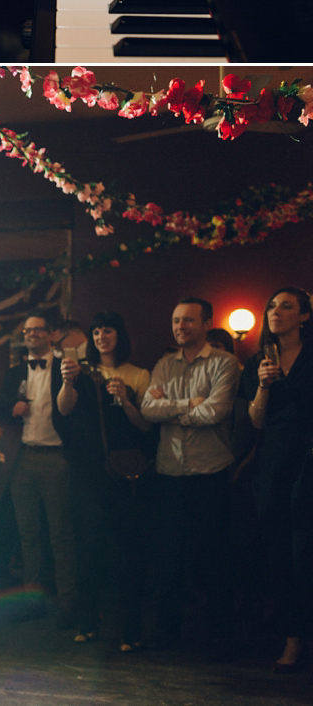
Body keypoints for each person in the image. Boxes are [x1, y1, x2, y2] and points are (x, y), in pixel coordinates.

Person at [140, 298, 239, 658]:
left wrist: (173, 409)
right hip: (170, 472)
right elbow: (149, 410)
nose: (181, 326)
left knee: (214, 560)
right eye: (176, 320)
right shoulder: (164, 364)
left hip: (209, 472)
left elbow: (216, 411)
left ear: (207, 323)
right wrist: (187, 405)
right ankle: (166, 633)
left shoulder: (224, 363)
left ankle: (218, 638)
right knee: (168, 559)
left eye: (189, 320)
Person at [56, 311, 152, 648]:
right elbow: (64, 411)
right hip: (87, 472)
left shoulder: (139, 374)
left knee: (127, 549)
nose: (100, 336)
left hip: (124, 473)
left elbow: (145, 426)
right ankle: (88, 620)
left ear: (119, 335)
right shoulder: (80, 372)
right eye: (95, 331)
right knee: (87, 546)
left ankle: (130, 627)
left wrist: (125, 398)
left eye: (107, 330)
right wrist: (68, 381)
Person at [239, 287, 313, 672]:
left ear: (304, 316)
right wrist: (265, 386)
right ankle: (291, 638)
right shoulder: (257, 362)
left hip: (309, 458)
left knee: (307, 552)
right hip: (274, 461)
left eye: (287, 306)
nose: (275, 312)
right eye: (271, 306)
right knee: (279, 552)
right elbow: (255, 421)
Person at [0, 312, 77, 628]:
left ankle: (68, 603)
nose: (31, 334)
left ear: (51, 334)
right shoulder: (14, 372)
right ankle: (33, 600)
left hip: (57, 457)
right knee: (28, 533)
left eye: (37, 330)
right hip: (22, 459)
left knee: (60, 533)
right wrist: (10, 409)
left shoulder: (66, 369)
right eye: (27, 330)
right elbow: (1, 410)